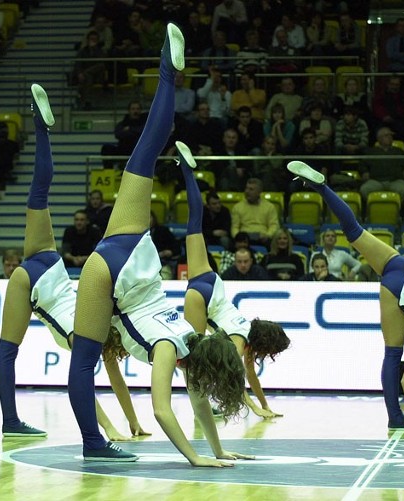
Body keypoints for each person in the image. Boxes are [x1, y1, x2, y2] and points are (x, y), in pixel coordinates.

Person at [67, 26, 252, 465]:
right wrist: (196, 458)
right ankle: (94, 445)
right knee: (83, 361)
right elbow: (162, 410)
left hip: (137, 254)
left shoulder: (196, 336)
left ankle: (168, 71)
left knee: (148, 149)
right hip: (114, 278)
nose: (203, 392)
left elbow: (198, 403)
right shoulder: (173, 348)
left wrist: (221, 451)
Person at [0, 84, 152, 443]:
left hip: (51, 265)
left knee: (39, 194)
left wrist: (133, 422)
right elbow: (91, 387)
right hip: (32, 284)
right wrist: (113, 427)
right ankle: (10, 422)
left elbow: (114, 378)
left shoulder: (102, 323)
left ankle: (40, 127)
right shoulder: (84, 336)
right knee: (8, 350)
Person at [288, 159, 404, 433]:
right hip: (400, 291)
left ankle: (323, 187)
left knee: (354, 232)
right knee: (392, 353)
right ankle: (395, 417)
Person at [177, 140, 290, 419]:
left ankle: (188, 171)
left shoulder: (245, 328)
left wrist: (265, 406)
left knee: (195, 224)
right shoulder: (240, 341)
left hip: (212, 283)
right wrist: (254, 409)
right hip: (201, 300)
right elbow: (237, 377)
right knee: (191, 361)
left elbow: (250, 377)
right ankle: (199, 410)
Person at [230, 178, 280, 247]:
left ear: (259, 192)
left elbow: (274, 226)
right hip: (244, 237)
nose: (247, 191)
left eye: (251, 189)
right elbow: (234, 227)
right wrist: (238, 237)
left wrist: (268, 235)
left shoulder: (270, 207)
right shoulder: (237, 207)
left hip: (263, 237)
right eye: (246, 188)